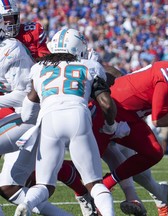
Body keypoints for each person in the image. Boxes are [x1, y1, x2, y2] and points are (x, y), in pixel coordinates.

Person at [14, 28, 130, 216]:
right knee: (94, 183)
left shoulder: (39, 68)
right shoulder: (90, 65)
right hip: (77, 116)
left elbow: (27, 110)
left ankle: (26, 204)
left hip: (49, 120)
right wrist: (111, 126)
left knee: (44, 185)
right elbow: (107, 105)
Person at [93, 45, 168, 215]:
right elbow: (158, 120)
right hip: (113, 109)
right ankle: (102, 195)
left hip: (129, 116)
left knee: (153, 152)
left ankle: (108, 186)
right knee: (90, 161)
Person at [0, 1, 97, 215]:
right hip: (20, 109)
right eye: (6, 18)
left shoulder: (13, 46)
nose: (11, 23)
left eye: (11, 17)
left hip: (32, 108)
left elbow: (28, 88)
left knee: (44, 170)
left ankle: (85, 192)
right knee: (10, 186)